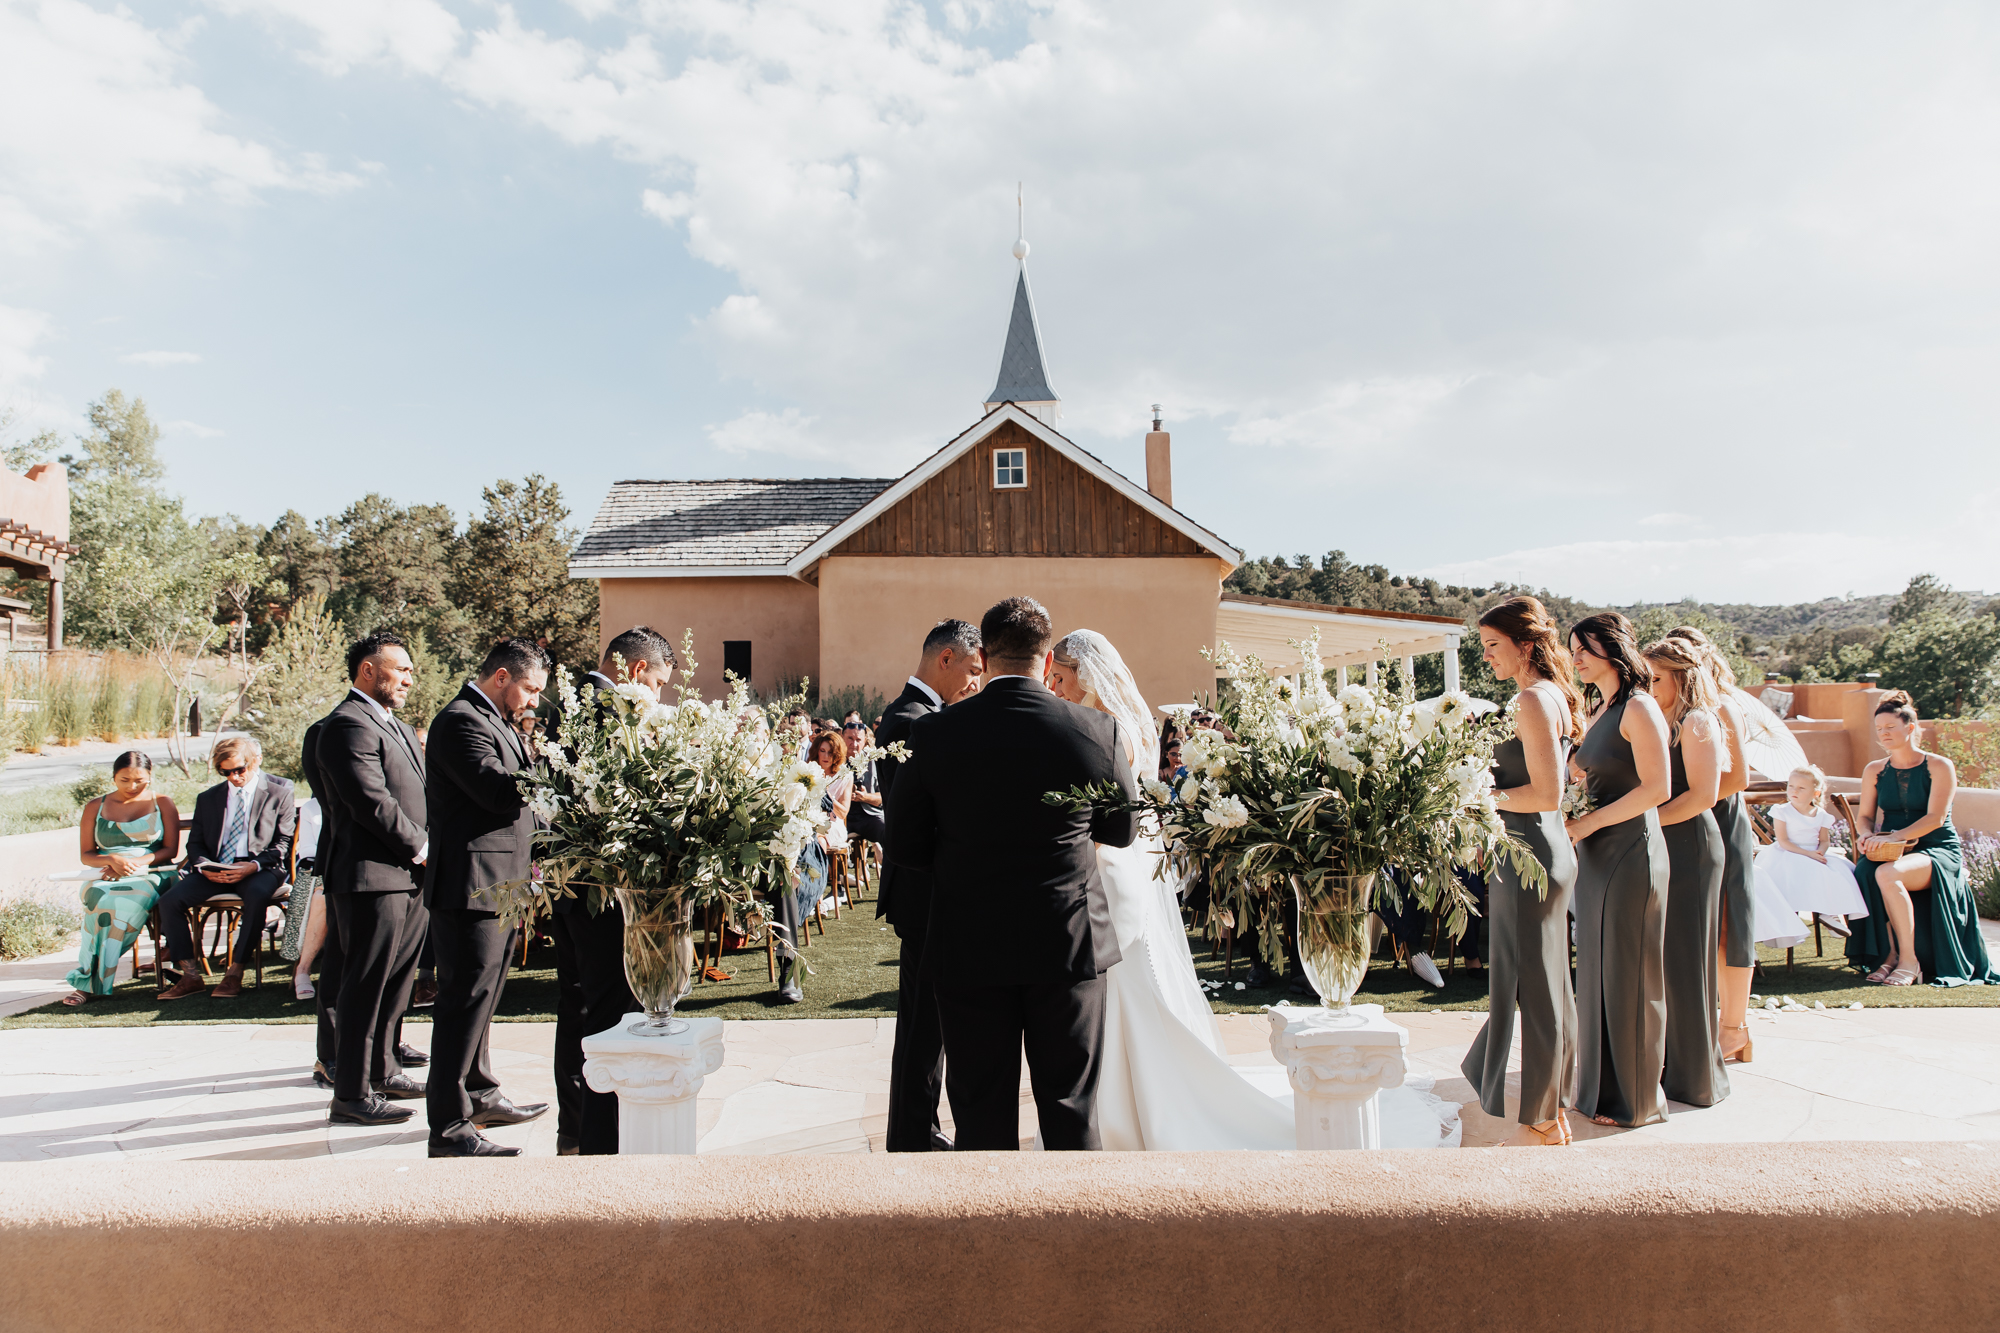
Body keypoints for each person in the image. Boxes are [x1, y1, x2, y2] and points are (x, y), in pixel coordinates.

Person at [888, 597, 1138, 1151]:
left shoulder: (934, 735)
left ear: (988, 655)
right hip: (1068, 941)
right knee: (1072, 1109)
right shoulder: (1098, 731)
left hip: (969, 942)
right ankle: (1076, 1232)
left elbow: (905, 845)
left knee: (980, 1118)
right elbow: (1121, 831)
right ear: (1047, 661)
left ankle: (990, 1234)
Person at [1046, 628, 1292, 1150]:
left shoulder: (1108, 728)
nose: (1058, 689)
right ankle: (1116, 1108)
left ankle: (1127, 1115)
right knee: (1123, 991)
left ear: (1087, 676)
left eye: (1063, 679)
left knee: (1121, 987)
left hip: (1111, 869)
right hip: (1119, 865)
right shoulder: (1121, 723)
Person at [424, 637, 553, 1157]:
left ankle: (479, 1093)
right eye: (530, 689)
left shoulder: (495, 720)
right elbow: (496, 792)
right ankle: (449, 1129)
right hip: (470, 885)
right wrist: (552, 767)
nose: (533, 701)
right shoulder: (460, 720)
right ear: (502, 676)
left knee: (485, 1000)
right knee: (461, 1004)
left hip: (501, 883)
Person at [548, 627, 674, 1155]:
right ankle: (602, 1142)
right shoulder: (608, 712)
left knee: (576, 1006)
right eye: (661, 685)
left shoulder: (573, 704)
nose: (661, 696)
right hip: (606, 888)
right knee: (607, 1015)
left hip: (574, 884)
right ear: (638, 672)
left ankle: (575, 1130)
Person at [1462, 596, 1582, 1146]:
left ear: (1525, 644)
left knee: (1535, 987)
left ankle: (1542, 1115)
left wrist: (1483, 794)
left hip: (1531, 854)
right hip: (1538, 851)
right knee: (1548, 984)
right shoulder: (1552, 694)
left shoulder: (1533, 700)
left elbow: (1547, 793)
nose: (1486, 656)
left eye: (1493, 646)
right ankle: (1552, 1105)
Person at [315, 630, 431, 1128]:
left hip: (411, 877)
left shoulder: (397, 727)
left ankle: (384, 1070)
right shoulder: (345, 725)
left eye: (409, 670)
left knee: (397, 983)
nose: (409, 677)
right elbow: (371, 802)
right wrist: (422, 846)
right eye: (399, 668)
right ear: (368, 670)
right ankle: (351, 1094)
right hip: (371, 877)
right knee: (364, 986)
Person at [876, 618, 984, 1151]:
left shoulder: (926, 715)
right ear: (945, 659)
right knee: (922, 1026)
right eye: (970, 670)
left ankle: (919, 1127)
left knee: (929, 1024)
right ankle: (912, 1134)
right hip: (924, 895)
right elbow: (917, 820)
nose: (974, 682)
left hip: (928, 894)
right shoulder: (909, 720)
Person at [1566, 613, 1672, 1129]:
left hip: (1632, 851)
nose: (1577, 658)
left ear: (1612, 649)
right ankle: (1600, 1092)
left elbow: (1658, 789)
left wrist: (1586, 825)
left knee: (1629, 974)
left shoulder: (1640, 706)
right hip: (1597, 853)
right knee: (1599, 971)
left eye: (1584, 648)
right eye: (1573, 650)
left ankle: (1635, 1099)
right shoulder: (1600, 708)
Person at [1845, 690, 2000, 987]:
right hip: (1891, 847)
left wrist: (1896, 839)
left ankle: (1909, 961)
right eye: (1879, 729)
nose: (1884, 734)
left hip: (1937, 848)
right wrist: (1865, 835)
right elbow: (1865, 816)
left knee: (1888, 874)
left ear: (1911, 727)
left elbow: (1935, 818)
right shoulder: (1874, 770)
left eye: (1890, 727)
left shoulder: (1940, 766)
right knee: (1865, 871)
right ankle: (1887, 957)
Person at [1642, 637, 1730, 1109]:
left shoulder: (1698, 722)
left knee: (1686, 963)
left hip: (1691, 845)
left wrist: (1643, 819)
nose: (1650, 687)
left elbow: (1703, 795)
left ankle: (1697, 1079)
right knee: (1665, 961)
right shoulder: (1662, 720)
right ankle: (1670, 1065)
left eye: (1657, 679)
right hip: (1663, 844)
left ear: (1682, 676)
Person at [1666, 626, 1760, 1064]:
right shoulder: (1676, 710)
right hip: (1687, 819)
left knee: (1728, 928)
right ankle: (1700, 1025)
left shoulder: (1721, 705)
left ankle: (1735, 1028)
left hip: (1720, 818)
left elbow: (1739, 777)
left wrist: (1693, 797)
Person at [155, 735, 299, 1000]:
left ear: (255, 762)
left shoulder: (280, 791)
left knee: (256, 896)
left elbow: (283, 843)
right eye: (226, 772)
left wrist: (252, 866)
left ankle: (235, 973)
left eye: (239, 770)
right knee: (169, 901)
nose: (233, 777)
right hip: (217, 868)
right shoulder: (209, 798)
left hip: (261, 868)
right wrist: (203, 867)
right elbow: (195, 844)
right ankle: (190, 976)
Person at [62, 752, 182, 1006]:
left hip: (154, 872)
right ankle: (89, 978)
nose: (132, 786)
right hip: (104, 874)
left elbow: (170, 851)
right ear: (114, 777)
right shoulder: (96, 806)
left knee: (122, 904)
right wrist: (112, 861)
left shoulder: (163, 803)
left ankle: (90, 982)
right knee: (99, 899)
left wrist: (133, 864)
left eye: (140, 780)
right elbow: (86, 855)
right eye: (124, 779)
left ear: (150, 776)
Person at [1756, 765, 1867, 931]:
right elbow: (1784, 841)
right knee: (1807, 869)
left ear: (1815, 793)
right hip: (1788, 852)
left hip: (1813, 852)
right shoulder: (1781, 811)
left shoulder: (1821, 815)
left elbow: (1824, 840)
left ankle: (1830, 914)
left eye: (1801, 788)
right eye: (1791, 786)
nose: (1794, 791)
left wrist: (1819, 852)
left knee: (1839, 871)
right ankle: (1797, 921)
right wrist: (1808, 854)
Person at [797, 731, 852, 919]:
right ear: (816, 751)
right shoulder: (807, 770)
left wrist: (826, 795)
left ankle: (817, 897)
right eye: (823, 751)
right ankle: (797, 893)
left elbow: (843, 812)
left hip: (833, 824)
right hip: (808, 819)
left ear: (837, 754)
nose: (826, 756)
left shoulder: (844, 775)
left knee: (817, 840)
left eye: (831, 752)